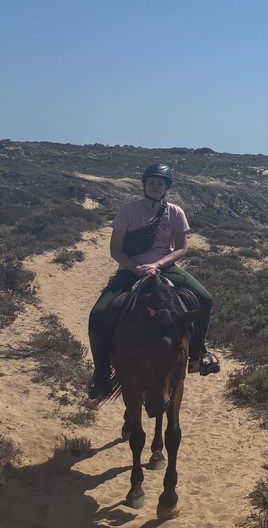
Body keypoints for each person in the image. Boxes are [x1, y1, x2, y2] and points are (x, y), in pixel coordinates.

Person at [87, 163, 219, 399]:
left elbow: (181, 249)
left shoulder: (176, 212)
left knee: (205, 299)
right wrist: (136, 268)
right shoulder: (128, 211)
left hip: (165, 268)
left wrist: (158, 265)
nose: (155, 186)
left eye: (160, 183)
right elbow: (115, 250)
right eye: (152, 182)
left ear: (166, 187)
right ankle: (101, 373)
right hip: (132, 270)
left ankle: (199, 353)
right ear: (144, 185)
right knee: (98, 313)